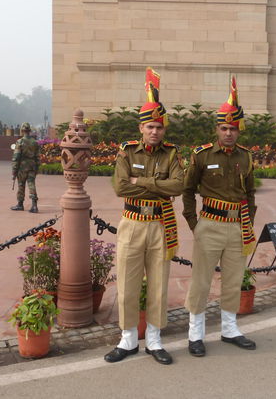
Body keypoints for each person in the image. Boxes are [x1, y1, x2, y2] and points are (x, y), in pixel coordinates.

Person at [104, 68, 184, 366]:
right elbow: (120, 187)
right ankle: (127, 338)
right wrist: (158, 188)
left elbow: (179, 185)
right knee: (127, 281)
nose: (154, 131)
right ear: (141, 128)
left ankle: (154, 338)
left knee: (159, 283)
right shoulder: (127, 152)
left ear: (164, 130)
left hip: (161, 225)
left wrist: (144, 183)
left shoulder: (172, 154)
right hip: (132, 223)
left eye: (159, 127)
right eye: (150, 126)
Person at [182, 76, 257, 358]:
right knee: (201, 280)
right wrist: (194, 224)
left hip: (237, 226)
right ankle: (195, 333)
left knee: (233, 279)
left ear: (239, 131)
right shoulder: (202, 156)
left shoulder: (246, 157)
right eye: (224, 128)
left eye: (233, 129)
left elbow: (250, 193)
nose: (228, 133)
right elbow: (188, 191)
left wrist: (248, 220)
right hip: (209, 225)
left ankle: (229, 328)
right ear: (217, 129)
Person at [11, 122, 40, 213]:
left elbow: (16, 157)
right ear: (29, 131)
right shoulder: (34, 142)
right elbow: (38, 157)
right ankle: (34, 206)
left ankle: (20, 204)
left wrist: (14, 171)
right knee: (31, 184)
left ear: (22, 130)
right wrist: (37, 168)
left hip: (22, 167)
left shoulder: (20, 142)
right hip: (32, 166)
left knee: (21, 185)